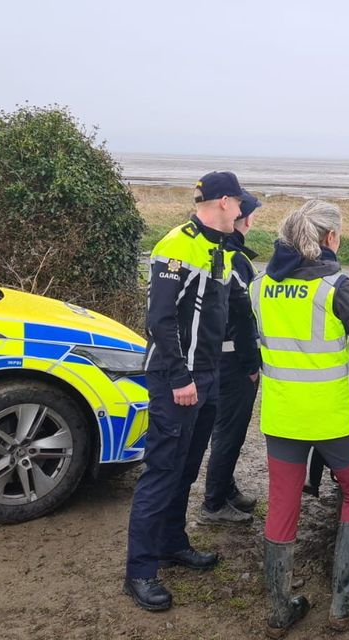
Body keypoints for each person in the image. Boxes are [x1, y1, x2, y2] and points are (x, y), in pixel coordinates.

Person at [124, 171, 259, 611]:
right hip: (174, 378)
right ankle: (140, 571)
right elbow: (160, 319)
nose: (242, 212)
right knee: (161, 471)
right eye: (239, 204)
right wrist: (180, 378)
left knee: (185, 469)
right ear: (223, 202)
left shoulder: (218, 247)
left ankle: (171, 543)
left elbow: (227, 312)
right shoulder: (176, 246)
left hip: (209, 376)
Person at [250, 200, 349, 637]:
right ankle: (342, 606)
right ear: (329, 238)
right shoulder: (335, 286)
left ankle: (278, 611)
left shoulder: (258, 286)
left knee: (283, 505)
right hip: (332, 417)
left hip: (282, 416)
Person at [199, 193, 263, 525]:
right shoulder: (235, 258)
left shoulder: (222, 251)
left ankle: (226, 489)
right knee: (229, 432)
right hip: (233, 361)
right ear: (244, 219)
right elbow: (242, 317)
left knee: (226, 430)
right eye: (248, 213)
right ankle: (213, 504)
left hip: (221, 358)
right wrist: (251, 365)